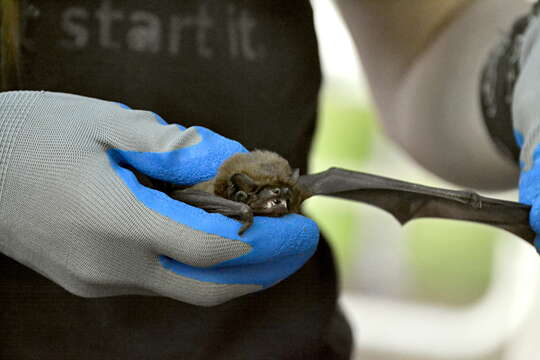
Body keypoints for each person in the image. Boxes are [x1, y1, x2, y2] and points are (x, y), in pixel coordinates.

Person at [0, 0, 536, 359]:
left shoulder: (293, 189)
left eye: (285, 192)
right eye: (267, 196)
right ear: (237, 196)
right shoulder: (221, 194)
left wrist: (523, 63)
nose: (278, 201)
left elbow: (430, 35)